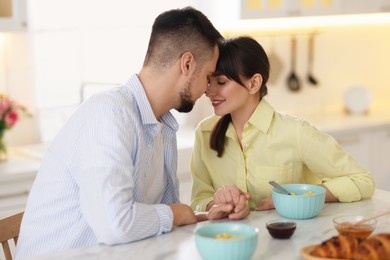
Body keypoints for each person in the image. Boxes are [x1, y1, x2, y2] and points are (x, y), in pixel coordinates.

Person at [15, 6, 233, 259]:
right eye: (208, 76)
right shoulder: (110, 113)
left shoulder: (164, 126)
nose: (208, 89)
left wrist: (202, 216)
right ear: (186, 64)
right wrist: (175, 213)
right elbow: (115, 224)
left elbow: (157, 218)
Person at [190, 36, 375, 220]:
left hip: (287, 242)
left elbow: (362, 181)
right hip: (230, 243)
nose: (209, 91)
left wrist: (298, 195)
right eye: (209, 81)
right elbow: (198, 200)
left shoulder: (295, 132)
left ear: (253, 83)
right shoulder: (204, 133)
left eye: (221, 82)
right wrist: (217, 203)